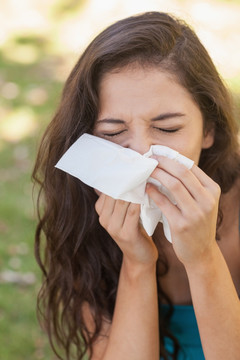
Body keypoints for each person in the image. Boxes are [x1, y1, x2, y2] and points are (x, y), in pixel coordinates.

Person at [32, 11, 240, 360]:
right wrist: (137, 262)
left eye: (168, 129)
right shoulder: (89, 216)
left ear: (209, 130)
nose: (143, 155)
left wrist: (203, 256)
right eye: (113, 134)